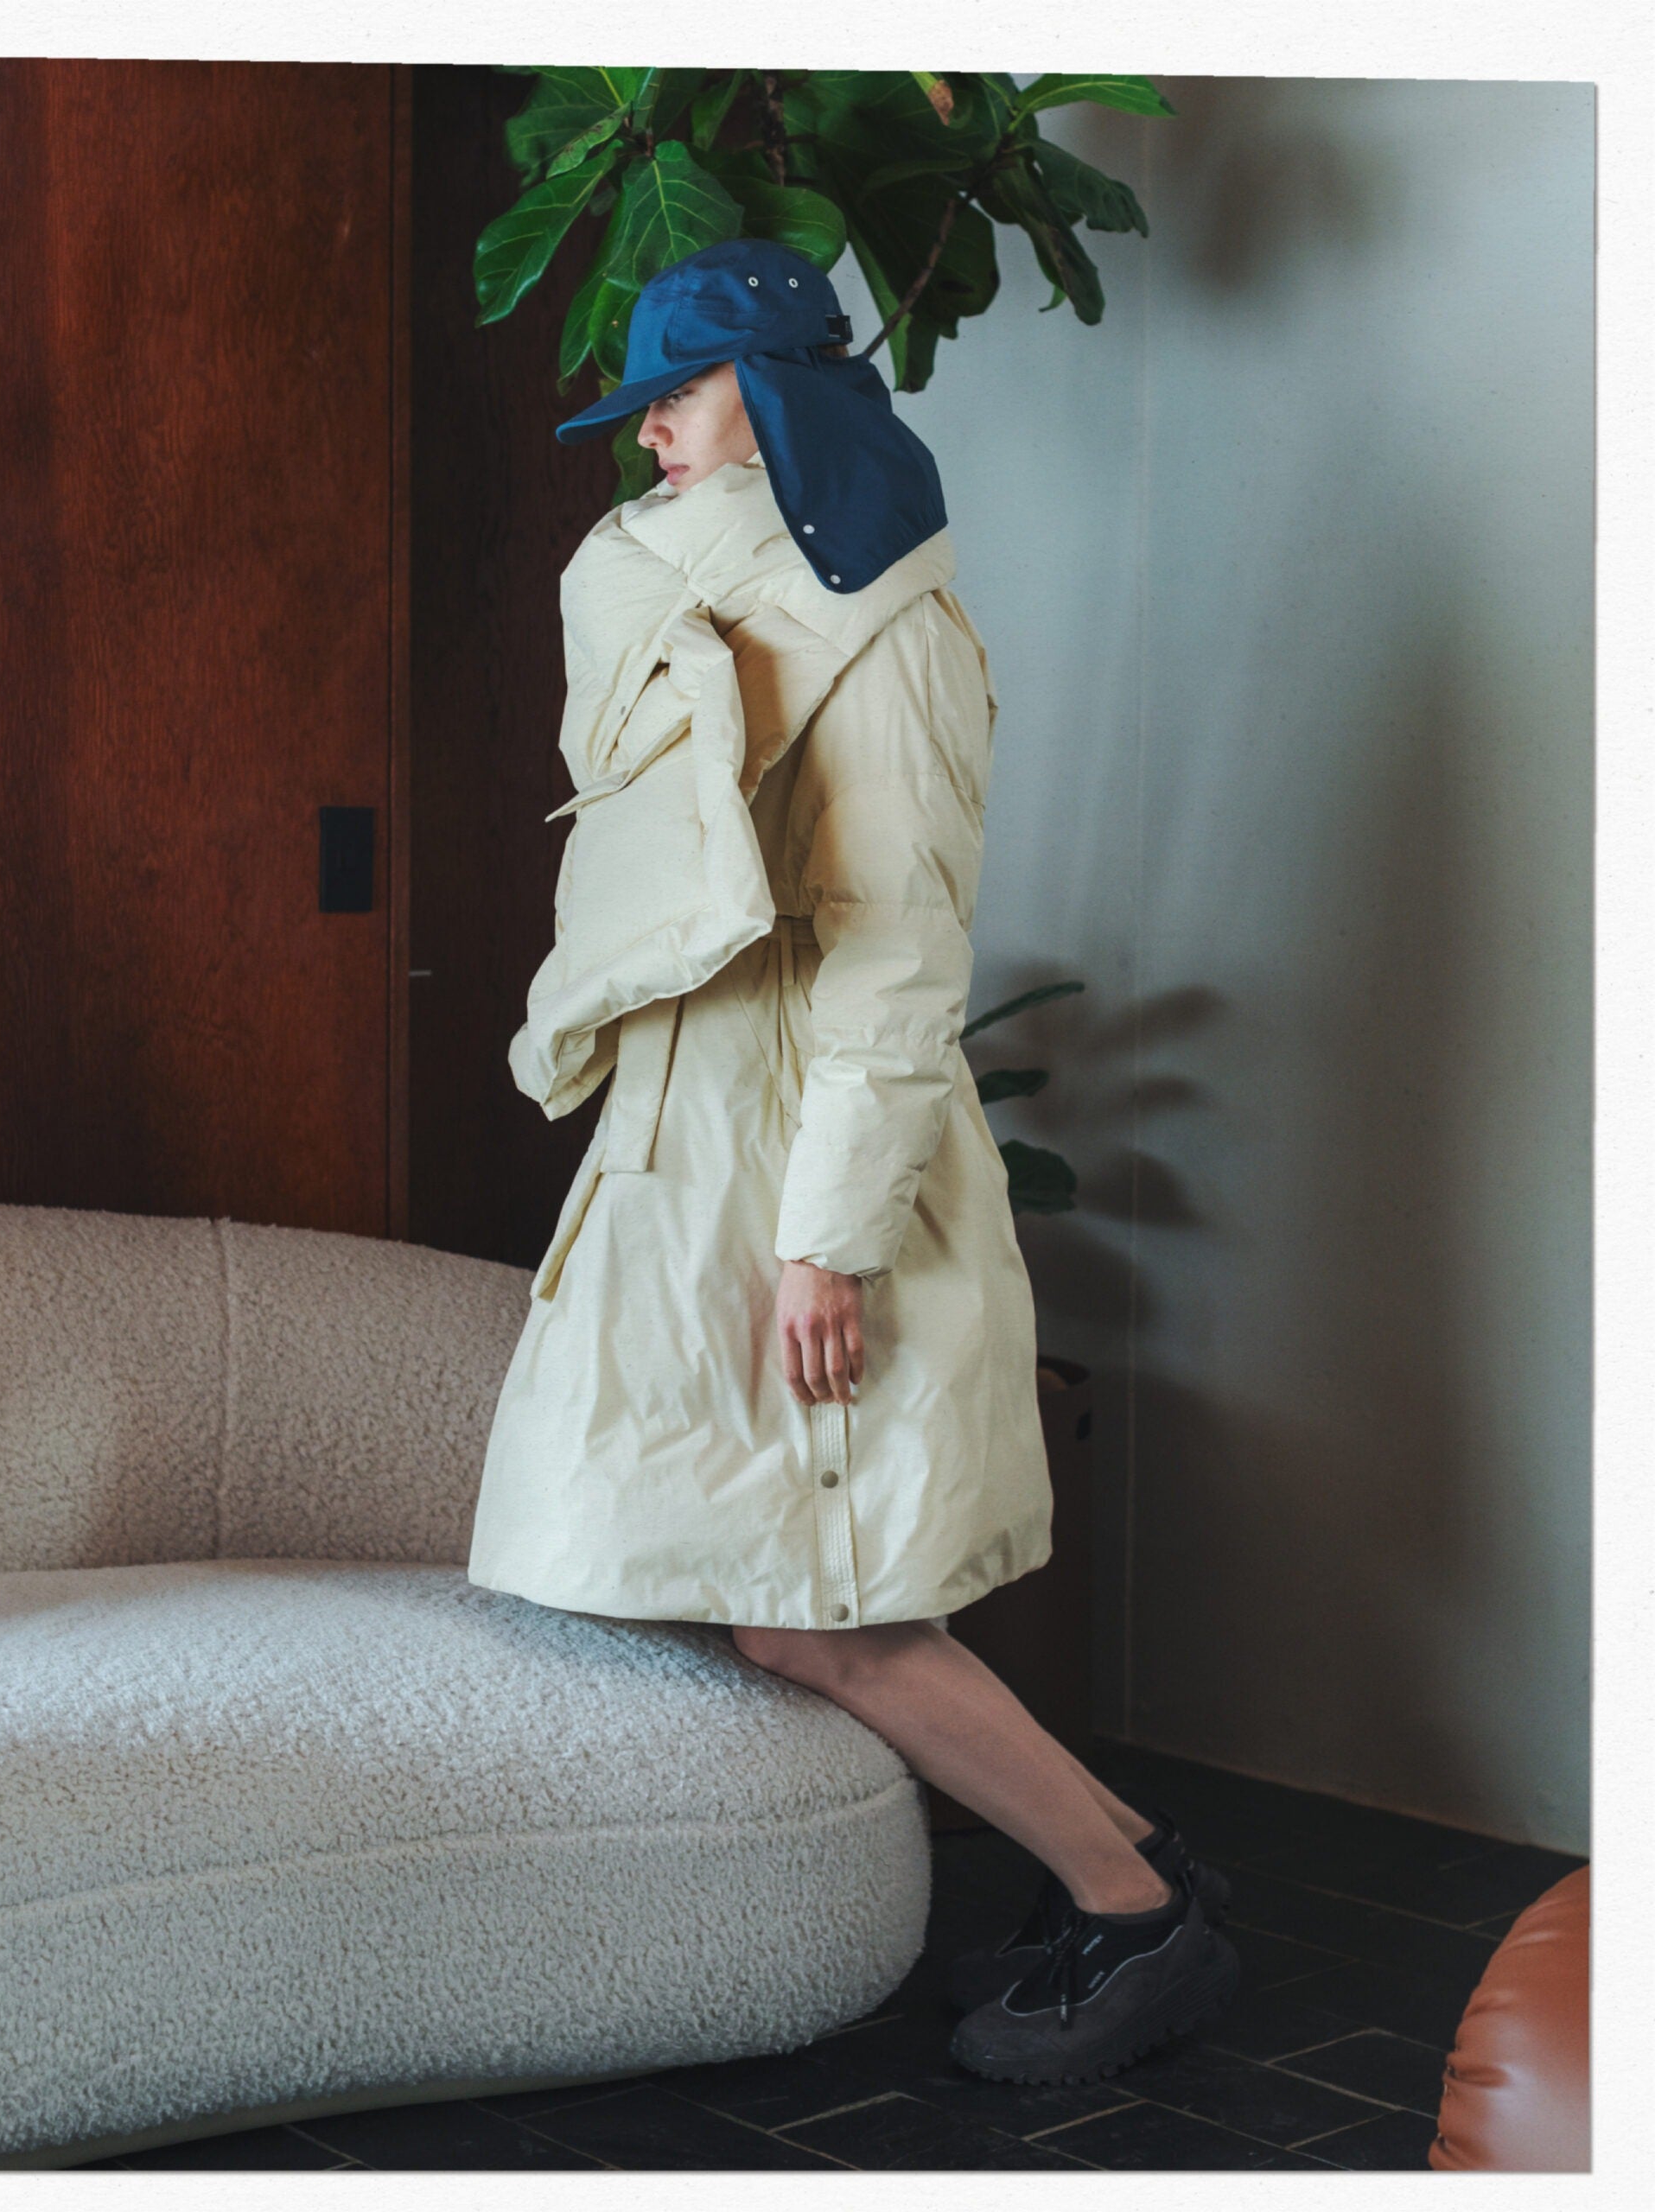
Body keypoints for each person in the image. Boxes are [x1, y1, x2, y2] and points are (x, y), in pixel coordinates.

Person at [466, 236, 1239, 2085]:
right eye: (644, 399)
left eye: (680, 391)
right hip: (694, 1142)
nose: (650, 429)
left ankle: (1138, 1917)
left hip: (809, 1152)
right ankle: (1135, 1870)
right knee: (791, 1591)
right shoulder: (682, 587)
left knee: (823, 1613)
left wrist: (829, 1239)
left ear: (776, 393)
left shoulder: (881, 625)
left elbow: (896, 952)